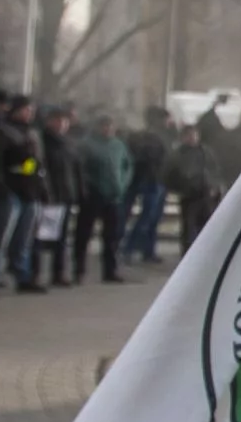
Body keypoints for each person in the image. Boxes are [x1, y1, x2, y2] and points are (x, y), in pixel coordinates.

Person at [0, 95, 49, 294]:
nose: (29, 113)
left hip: (30, 190)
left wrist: (41, 185)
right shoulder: (2, 130)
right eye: (26, 109)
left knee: (24, 239)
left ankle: (22, 275)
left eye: (31, 110)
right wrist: (1, 183)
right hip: (11, 189)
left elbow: (37, 162)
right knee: (2, 237)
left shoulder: (33, 132)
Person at [71, 113, 131, 284]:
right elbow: (80, 168)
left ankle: (110, 270)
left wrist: (123, 182)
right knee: (84, 233)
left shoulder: (118, 145)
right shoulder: (87, 145)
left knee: (112, 236)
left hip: (114, 196)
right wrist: (89, 185)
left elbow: (127, 165)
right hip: (93, 195)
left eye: (111, 127)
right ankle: (79, 269)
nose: (108, 130)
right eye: (105, 126)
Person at [120, 106, 171, 265]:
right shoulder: (154, 138)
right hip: (151, 180)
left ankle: (147, 250)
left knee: (151, 217)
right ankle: (130, 248)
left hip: (150, 179)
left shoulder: (140, 136)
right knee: (148, 217)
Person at [166, 121, 225, 252]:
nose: (193, 138)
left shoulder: (206, 152)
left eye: (195, 135)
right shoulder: (178, 154)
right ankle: (187, 253)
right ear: (184, 137)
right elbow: (170, 174)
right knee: (189, 228)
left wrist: (215, 186)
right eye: (189, 135)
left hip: (206, 195)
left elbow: (215, 170)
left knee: (205, 227)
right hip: (189, 196)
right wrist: (180, 189)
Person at [38, 106, 78, 288]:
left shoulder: (68, 143)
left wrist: (78, 190)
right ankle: (36, 274)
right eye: (59, 120)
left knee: (62, 238)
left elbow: (75, 168)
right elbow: (34, 164)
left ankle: (59, 273)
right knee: (44, 237)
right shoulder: (42, 141)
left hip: (65, 195)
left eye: (65, 121)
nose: (62, 124)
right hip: (49, 195)